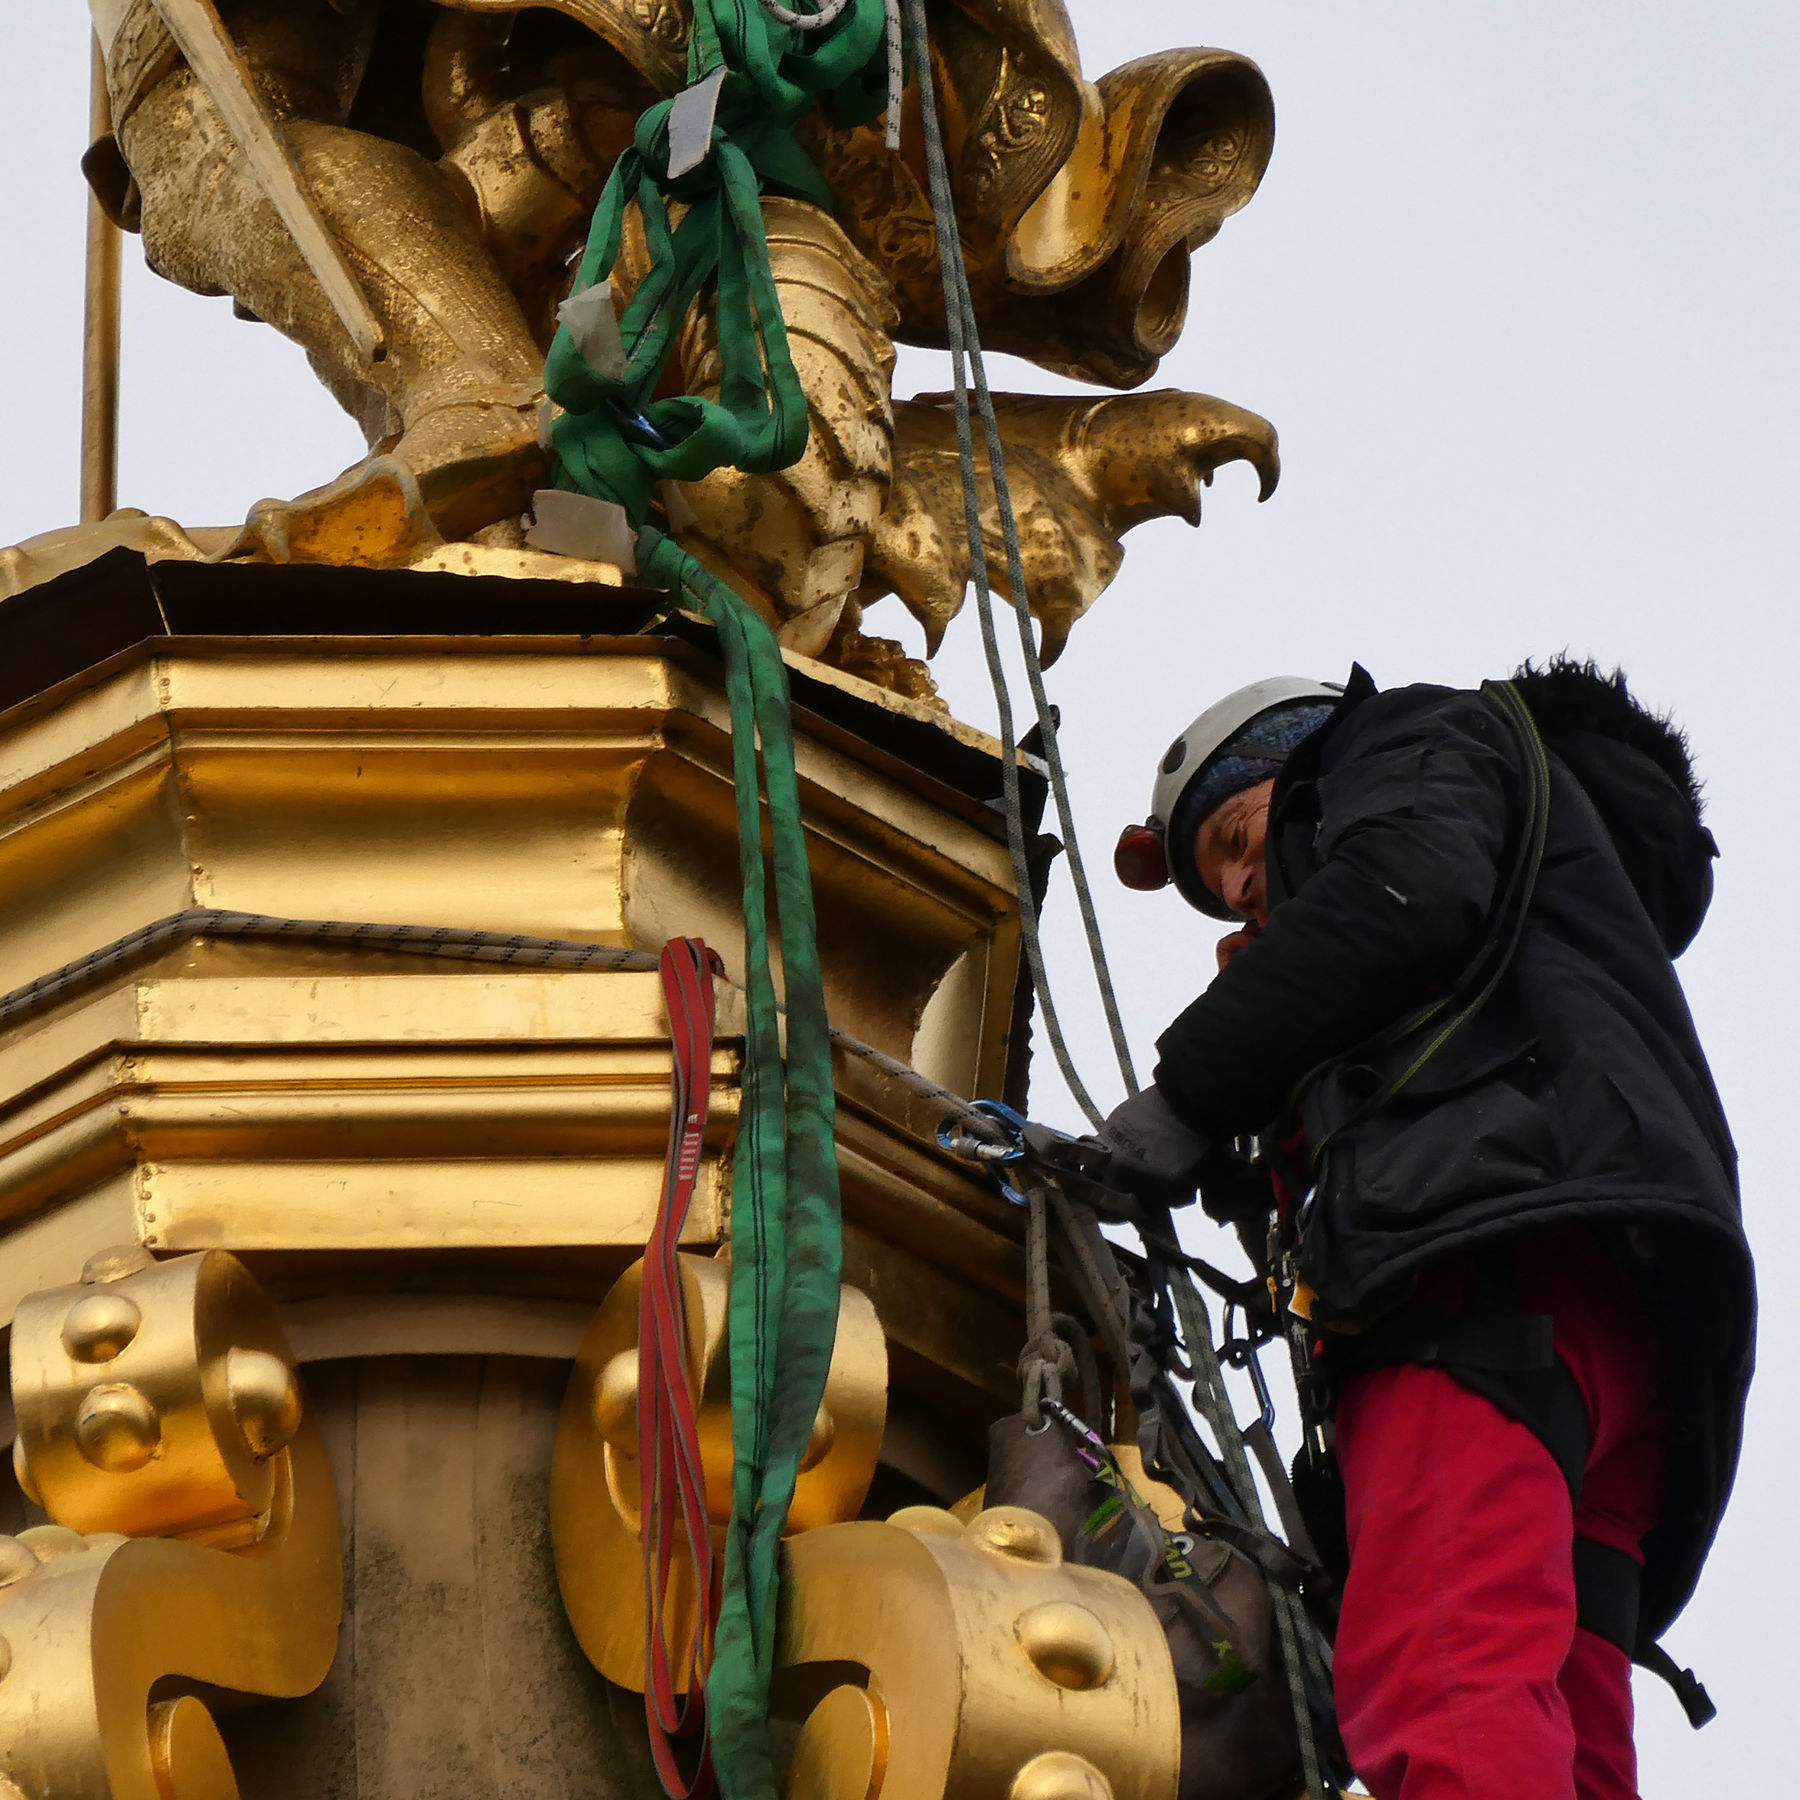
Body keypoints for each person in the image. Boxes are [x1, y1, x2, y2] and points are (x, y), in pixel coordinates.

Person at [1099, 662, 1754, 1800]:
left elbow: (1405, 887)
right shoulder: (1556, 911)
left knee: (1446, 1679)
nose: (1246, 881)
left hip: (1478, 1287)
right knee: (1570, 1729)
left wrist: (1197, 1091)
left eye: (1241, 838)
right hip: (1618, 1326)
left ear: (1299, 763)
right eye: (1223, 877)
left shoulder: (1403, 738)